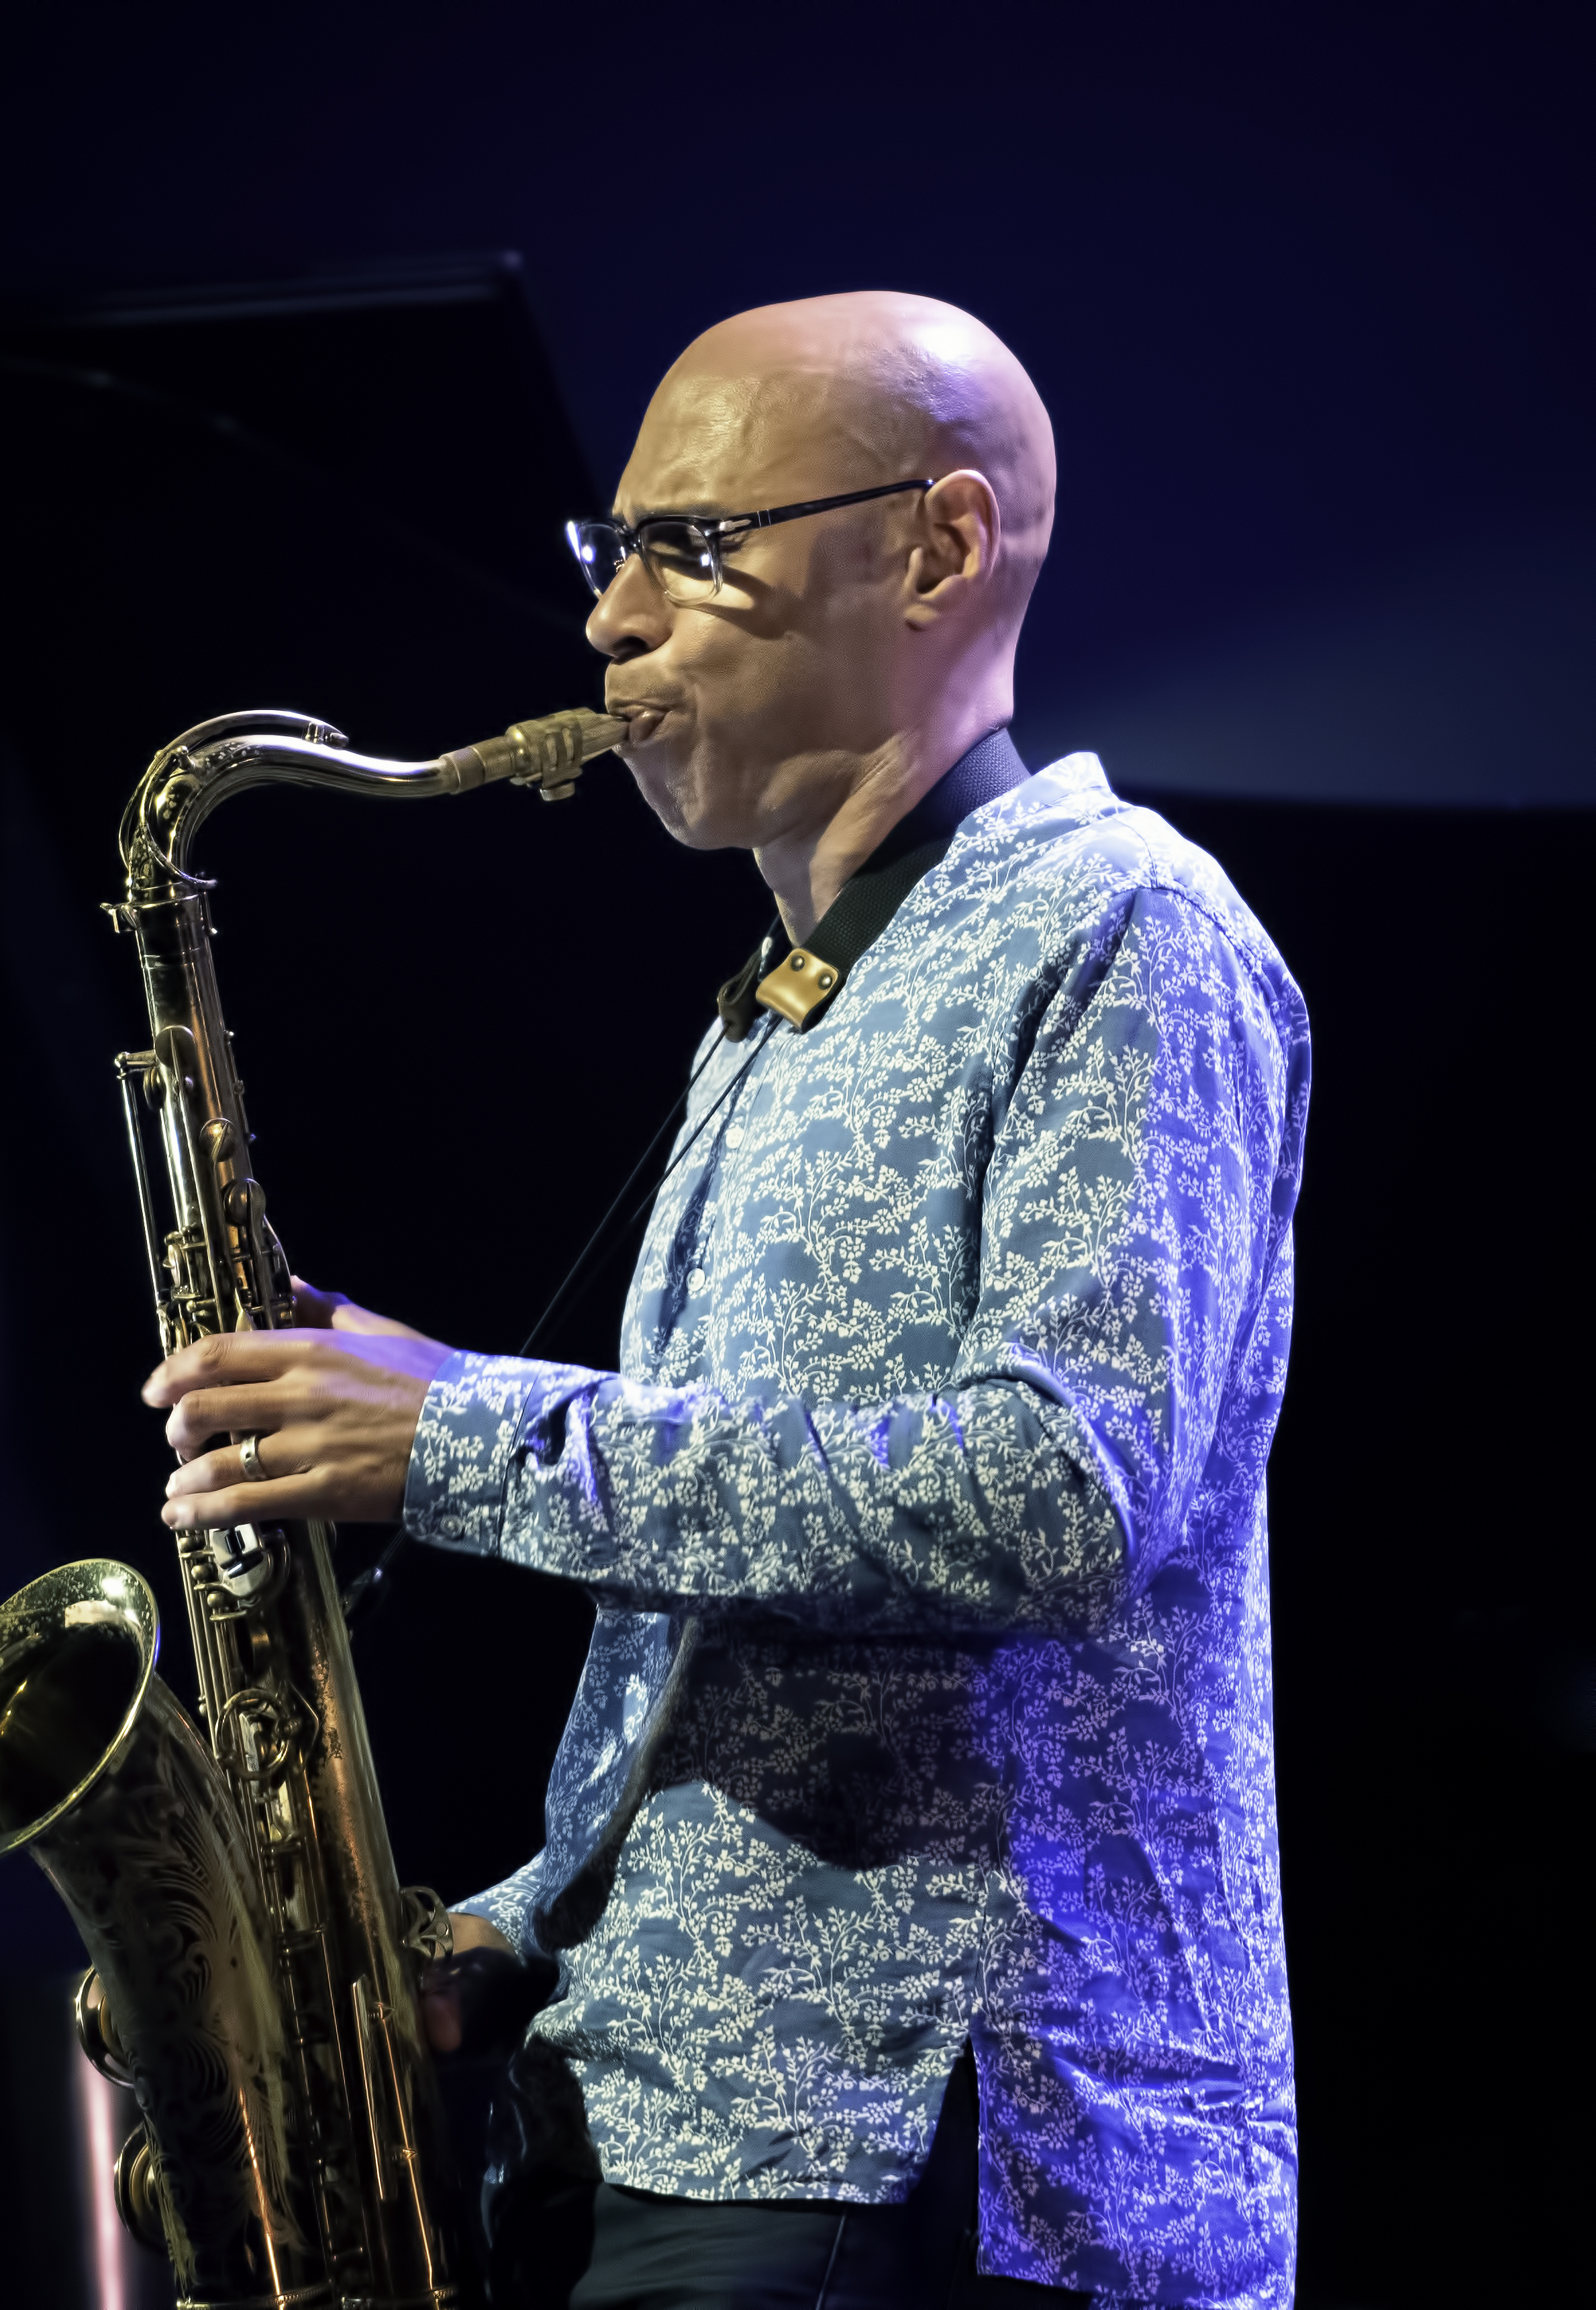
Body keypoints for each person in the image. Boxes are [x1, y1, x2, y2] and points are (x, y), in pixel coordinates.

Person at [142, 291, 1305, 2310]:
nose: (606, 620)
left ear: (937, 547)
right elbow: (745, 1645)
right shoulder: (779, 1003)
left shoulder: (1125, 927)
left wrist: (465, 1434)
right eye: (614, 556)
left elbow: (1056, 1499)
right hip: (681, 2124)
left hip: (938, 2147)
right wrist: (513, 1927)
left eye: (689, 549)